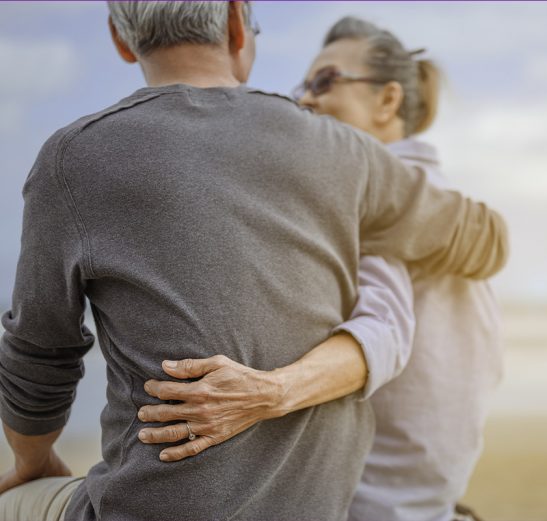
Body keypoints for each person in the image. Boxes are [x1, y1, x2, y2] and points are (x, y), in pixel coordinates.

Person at [0, 3, 508, 521]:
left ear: (120, 40)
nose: (305, 98)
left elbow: (39, 354)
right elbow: (484, 237)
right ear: (238, 24)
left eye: (325, 81)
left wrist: (32, 459)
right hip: (318, 508)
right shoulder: (343, 154)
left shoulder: (72, 157)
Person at [140, 15, 503, 521]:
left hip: (370, 503)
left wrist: (266, 393)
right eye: (304, 85)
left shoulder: (377, 198)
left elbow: (385, 329)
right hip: (425, 499)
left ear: (388, 100)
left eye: (326, 81)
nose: (306, 99)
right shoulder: (436, 196)